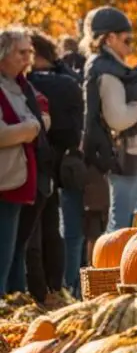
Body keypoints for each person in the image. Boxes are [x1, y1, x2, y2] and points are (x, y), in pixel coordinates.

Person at [80, 7, 137, 232]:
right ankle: (113, 267)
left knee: (127, 222)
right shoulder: (107, 72)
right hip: (121, 156)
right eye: (126, 39)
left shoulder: (111, 67)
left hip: (127, 154)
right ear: (108, 38)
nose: (131, 46)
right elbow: (117, 119)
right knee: (121, 226)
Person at [26, 31, 83, 297]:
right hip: (59, 162)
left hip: (33, 159)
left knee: (31, 236)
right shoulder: (70, 81)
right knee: (54, 227)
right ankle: (56, 288)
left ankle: (36, 292)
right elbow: (73, 130)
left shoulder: (29, 84)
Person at [0, 28, 48, 296]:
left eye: (29, 52)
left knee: (13, 251)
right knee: (3, 254)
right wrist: (30, 128)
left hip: (16, 183)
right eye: (21, 52)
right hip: (5, 182)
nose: (27, 58)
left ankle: (12, 304)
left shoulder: (19, 86)